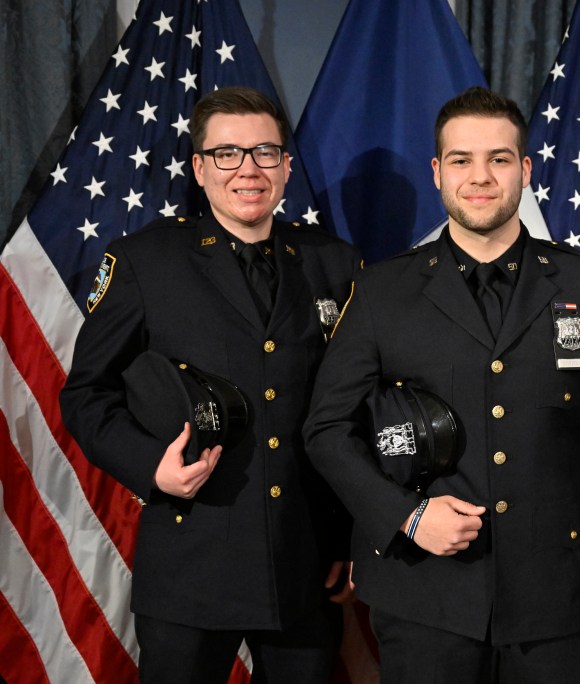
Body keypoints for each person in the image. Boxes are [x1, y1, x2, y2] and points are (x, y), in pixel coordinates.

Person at [303, 86, 580, 682]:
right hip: (425, 595)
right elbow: (326, 431)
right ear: (437, 172)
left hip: (556, 595)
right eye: (461, 160)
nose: (481, 176)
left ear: (524, 170)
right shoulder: (381, 292)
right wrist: (407, 515)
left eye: (499, 159)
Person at [60, 86, 362, 683]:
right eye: (227, 154)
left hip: (303, 561)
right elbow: (85, 394)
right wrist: (152, 467)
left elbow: (353, 408)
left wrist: (350, 531)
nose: (247, 170)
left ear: (286, 167)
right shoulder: (145, 262)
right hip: (190, 563)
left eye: (264, 152)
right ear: (199, 168)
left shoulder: (335, 263)